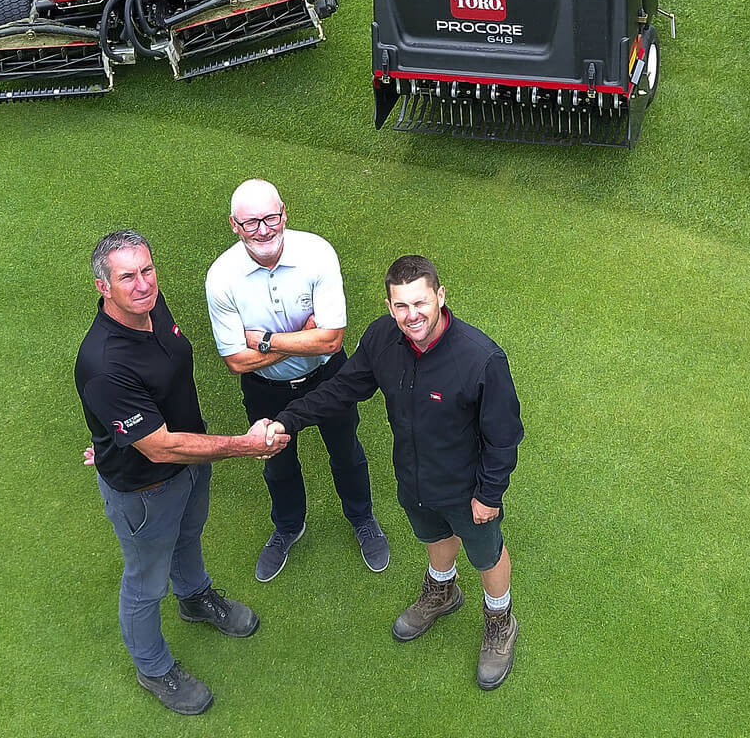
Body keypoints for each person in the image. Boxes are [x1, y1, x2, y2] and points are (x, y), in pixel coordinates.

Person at [253, 256, 525, 691]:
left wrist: (489, 496)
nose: (411, 316)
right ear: (389, 305)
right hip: (414, 478)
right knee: (434, 537)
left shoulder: (481, 358)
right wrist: (287, 420)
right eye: (401, 306)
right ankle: (443, 591)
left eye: (420, 303)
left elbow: (504, 437)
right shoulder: (383, 338)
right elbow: (344, 388)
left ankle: (500, 620)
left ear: (440, 296)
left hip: (468, 488)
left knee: (487, 555)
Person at [76, 230, 277, 717]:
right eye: (127, 276)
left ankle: (194, 597)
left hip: (188, 466)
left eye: (147, 269)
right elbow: (160, 446)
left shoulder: (152, 306)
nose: (143, 284)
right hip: (145, 489)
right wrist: (245, 445)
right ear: (104, 287)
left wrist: (116, 433)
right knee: (145, 584)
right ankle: (153, 667)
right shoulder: (103, 362)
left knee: (189, 537)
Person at [204, 179, 390, 583]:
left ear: (284, 213)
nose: (264, 229)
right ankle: (288, 526)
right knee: (276, 458)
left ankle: (362, 518)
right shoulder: (221, 278)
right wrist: (299, 341)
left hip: (329, 378)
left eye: (271, 217)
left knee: (347, 451)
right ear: (234, 225)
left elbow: (331, 338)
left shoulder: (317, 253)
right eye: (251, 222)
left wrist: (266, 341)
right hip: (264, 388)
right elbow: (237, 361)